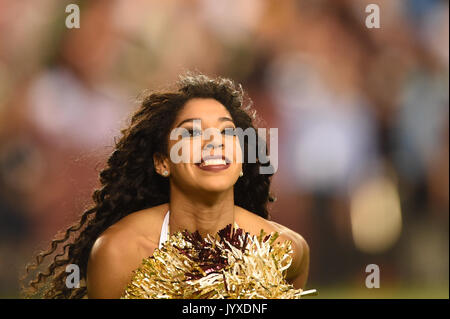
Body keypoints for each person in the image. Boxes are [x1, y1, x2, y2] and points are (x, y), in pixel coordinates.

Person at [23, 73, 309, 299]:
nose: (214, 143)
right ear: (162, 162)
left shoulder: (286, 250)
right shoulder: (120, 251)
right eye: (192, 132)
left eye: (227, 131)